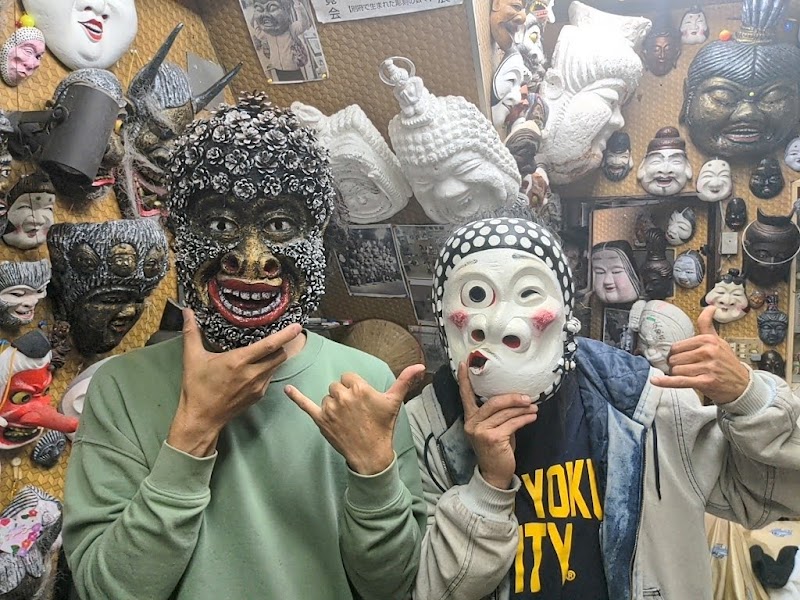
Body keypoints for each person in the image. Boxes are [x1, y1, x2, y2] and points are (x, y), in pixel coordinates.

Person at [62, 95, 426, 600]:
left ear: (319, 237)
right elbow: (108, 590)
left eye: (280, 225)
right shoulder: (120, 389)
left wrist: (374, 473)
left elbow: (393, 586)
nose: (252, 259)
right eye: (219, 225)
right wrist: (193, 430)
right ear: (177, 235)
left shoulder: (367, 385)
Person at [406, 217, 800, 600]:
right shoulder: (425, 431)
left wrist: (748, 399)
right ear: (442, 317)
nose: (500, 324)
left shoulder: (649, 405)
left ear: (566, 310)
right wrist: (488, 489)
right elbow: (425, 589)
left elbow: (775, 494)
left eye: (528, 293)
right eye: (475, 295)